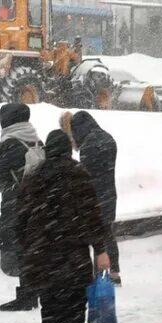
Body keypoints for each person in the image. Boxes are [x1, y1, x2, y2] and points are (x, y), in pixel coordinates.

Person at [17, 130, 111, 323]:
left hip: (42, 254)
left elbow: (20, 219)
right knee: (75, 309)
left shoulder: (33, 178)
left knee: (50, 312)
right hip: (73, 253)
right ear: (69, 150)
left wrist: (28, 247)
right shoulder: (79, 175)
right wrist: (100, 249)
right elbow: (92, 215)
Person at [0, 103, 42, 312]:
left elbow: (0, 175)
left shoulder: (10, 142)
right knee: (31, 247)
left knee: (20, 248)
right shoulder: (36, 138)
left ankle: (26, 296)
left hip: (16, 202)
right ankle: (34, 293)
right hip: (37, 201)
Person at [70, 111, 121, 285]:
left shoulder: (88, 145)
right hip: (109, 194)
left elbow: (85, 175)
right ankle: (114, 273)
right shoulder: (108, 138)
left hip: (94, 198)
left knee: (95, 239)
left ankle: (98, 277)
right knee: (108, 234)